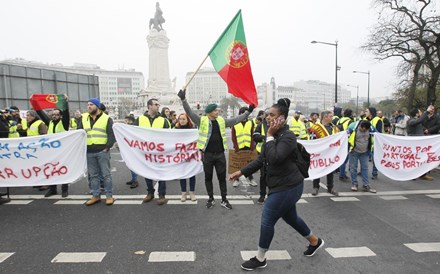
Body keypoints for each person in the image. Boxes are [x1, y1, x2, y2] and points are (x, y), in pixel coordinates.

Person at [229, 98, 324, 271]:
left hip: (289, 186)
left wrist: (270, 136)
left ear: (282, 118)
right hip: (279, 185)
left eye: (272, 115)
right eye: (266, 115)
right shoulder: (270, 135)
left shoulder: (287, 137)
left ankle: (260, 258)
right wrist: (241, 172)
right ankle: (315, 241)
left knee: (267, 219)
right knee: (291, 218)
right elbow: (261, 160)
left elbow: (275, 158)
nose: (267, 118)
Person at [178, 89, 254, 210]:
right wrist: (183, 99)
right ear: (209, 112)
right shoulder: (201, 120)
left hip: (220, 155)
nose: (218, 111)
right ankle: (211, 199)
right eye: (215, 110)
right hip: (207, 155)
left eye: (217, 110)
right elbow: (190, 112)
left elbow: (235, 120)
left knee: (221, 178)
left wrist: (248, 112)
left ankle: (224, 199)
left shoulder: (221, 121)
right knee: (208, 178)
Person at [77, 98, 116, 206]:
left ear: (97, 106)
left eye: (91, 105)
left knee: (106, 175)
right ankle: (95, 195)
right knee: (93, 175)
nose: (89, 106)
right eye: (88, 104)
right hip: (89, 151)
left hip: (102, 151)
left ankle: (109, 196)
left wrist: (107, 147)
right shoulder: (84, 118)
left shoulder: (106, 118)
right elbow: (79, 133)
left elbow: (111, 134)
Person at [134, 98, 171, 205]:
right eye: (156, 104)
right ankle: (150, 192)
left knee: (160, 174)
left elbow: (170, 136)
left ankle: (162, 195)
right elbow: (133, 133)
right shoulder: (140, 119)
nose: (158, 106)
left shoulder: (164, 120)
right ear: (149, 106)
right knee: (147, 173)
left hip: (159, 152)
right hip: (145, 152)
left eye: (159, 104)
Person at [36, 97, 71, 197]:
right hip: (51, 152)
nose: (54, 116)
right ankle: (53, 189)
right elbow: (40, 113)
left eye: (56, 114)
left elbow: (66, 112)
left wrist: (65, 102)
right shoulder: (49, 123)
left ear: (60, 116)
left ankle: (64, 189)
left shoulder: (64, 123)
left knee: (63, 170)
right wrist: (34, 103)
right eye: (53, 115)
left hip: (63, 151)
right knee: (51, 170)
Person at [309, 110, 339, 196]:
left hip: (330, 153)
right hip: (319, 153)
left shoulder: (334, 128)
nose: (331, 118)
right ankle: (315, 187)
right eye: (330, 116)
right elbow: (312, 140)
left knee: (330, 170)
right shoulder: (315, 128)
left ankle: (330, 187)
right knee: (317, 170)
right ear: (325, 117)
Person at [347, 120, 377, 193]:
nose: (362, 130)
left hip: (365, 152)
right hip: (354, 152)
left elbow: (378, 135)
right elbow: (345, 136)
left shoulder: (371, 128)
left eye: (364, 130)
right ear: (360, 126)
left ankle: (366, 185)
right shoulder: (352, 127)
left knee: (365, 168)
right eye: (361, 128)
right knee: (353, 168)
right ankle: (354, 184)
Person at [231, 106, 257, 187]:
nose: (246, 114)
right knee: (237, 164)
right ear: (241, 114)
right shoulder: (235, 123)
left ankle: (251, 179)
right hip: (239, 147)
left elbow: (253, 135)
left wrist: (252, 146)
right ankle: (236, 180)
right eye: (244, 113)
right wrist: (236, 147)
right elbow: (233, 136)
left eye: (247, 113)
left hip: (248, 147)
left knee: (250, 164)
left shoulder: (251, 122)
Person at [407, 106, 434, 181]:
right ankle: (412, 174)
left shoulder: (416, 120)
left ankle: (422, 174)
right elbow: (419, 121)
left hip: (419, 144)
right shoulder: (411, 121)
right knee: (414, 159)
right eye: (419, 112)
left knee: (422, 158)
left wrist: (425, 130)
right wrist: (427, 112)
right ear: (416, 114)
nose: (420, 113)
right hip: (414, 144)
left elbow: (420, 124)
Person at [175, 113, 197, 202]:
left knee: (192, 174)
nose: (182, 121)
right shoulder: (175, 130)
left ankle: (192, 192)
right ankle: (183, 193)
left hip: (191, 155)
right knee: (182, 174)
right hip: (181, 155)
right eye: (180, 119)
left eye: (184, 119)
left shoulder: (192, 130)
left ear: (187, 120)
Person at [252, 110, 269, 204]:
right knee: (263, 175)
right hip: (262, 153)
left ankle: (272, 195)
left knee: (272, 174)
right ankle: (262, 195)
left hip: (273, 153)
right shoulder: (261, 125)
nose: (269, 117)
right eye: (267, 116)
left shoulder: (276, 124)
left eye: (271, 115)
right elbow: (255, 136)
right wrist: (264, 137)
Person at [337, 108, 355, 181]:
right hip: (347, 140)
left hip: (340, 139)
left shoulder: (339, 120)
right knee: (345, 158)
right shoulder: (350, 121)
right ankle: (342, 174)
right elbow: (351, 131)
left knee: (341, 157)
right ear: (350, 114)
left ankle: (341, 173)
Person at [365, 107, 382, 180]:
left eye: (367, 111)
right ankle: (363, 171)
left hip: (374, 143)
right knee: (364, 158)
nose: (365, 112)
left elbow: (378, 132)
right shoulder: (366, 120)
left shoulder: (378, 120)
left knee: (375, 158)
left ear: (371, 112)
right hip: (367, 142)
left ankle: (374, 173)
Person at [123, 115, 139, 189]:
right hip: (129, 148)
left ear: (131, 121)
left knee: (133, 165)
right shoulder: (127, 128)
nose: (125, 122)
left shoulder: (133, 128)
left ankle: (135, 180)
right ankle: (133, 179)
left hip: (133, 149)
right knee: (130, 165)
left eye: (126, 121)